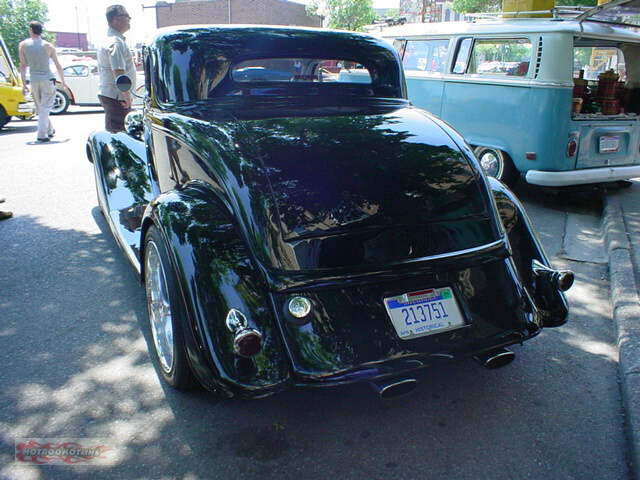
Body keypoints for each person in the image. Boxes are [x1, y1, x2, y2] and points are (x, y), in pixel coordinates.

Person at [19, 21, 66, 143]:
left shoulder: (23, 45)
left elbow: (23, 66)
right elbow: (58, 65)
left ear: (31, 29)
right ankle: (42, 134)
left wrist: (24, 85)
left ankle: (49, 130)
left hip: (34, 80)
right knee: (45, 108)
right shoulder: (48, 46)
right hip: (47, 79)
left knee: (41, 108)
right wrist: (63, 82)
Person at [97, 5, 135, 133]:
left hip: (112, 95)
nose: (129, 19)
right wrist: (126, 95)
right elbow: (118, 71)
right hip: (117, 97)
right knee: (118, 135)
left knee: (116, 131)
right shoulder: (116, 42)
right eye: (126, 16)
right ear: (115, 19)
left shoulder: (110, 39)